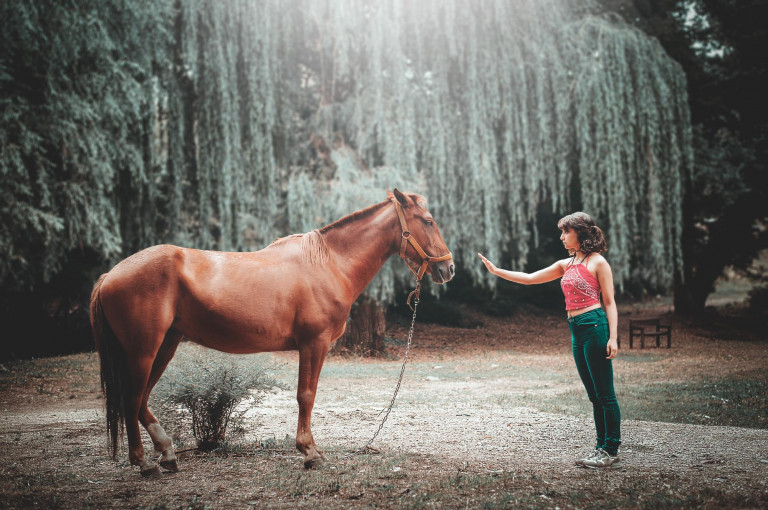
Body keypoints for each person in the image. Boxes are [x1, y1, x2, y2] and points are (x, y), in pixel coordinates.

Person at [477, 212, 621, 468]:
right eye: (562, 232)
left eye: (566, 232)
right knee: (593, 395)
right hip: (576, 329)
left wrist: (613, 337)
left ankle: (611, 449)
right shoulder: (565, 264)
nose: (562, 237)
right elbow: (530, 278)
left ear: (581, 232)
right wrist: (497, 271)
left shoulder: (598, 263)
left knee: (605, 394)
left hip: (595, 326)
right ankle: (600, 447)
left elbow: (609, 302)